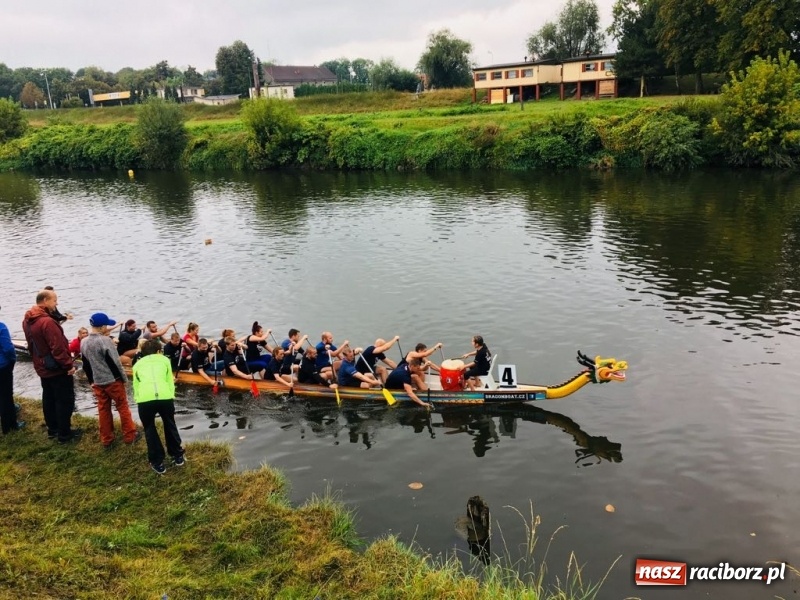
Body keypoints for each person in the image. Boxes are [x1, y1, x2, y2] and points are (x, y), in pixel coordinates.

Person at [22, 289, 81, 443]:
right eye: (55, 300)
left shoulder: (27, 320)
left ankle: (53, 429)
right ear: (46, 301)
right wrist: (69, 366)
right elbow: (58, 347)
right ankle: (64, 434)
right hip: (56, 368)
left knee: (48, 398)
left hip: (42, 366)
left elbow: (31, 344)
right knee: (64, 400)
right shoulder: (47, 322)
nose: (57, 303)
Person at [80, 313, 141, 449]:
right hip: (112, 380)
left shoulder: (83, 342)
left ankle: (107, 439)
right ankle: (130, 436)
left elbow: (86, 364)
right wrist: (124, 379)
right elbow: (116, 363)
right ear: (101, 327)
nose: (107, 328)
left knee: (103, 409)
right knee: (123, 407)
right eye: (106, 325)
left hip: (97, 381)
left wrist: (91, 381)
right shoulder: (105, 341)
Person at [132, 339, 185, 475]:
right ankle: (177, 455)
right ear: (158, 351)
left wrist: (138, 399)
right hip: (165, 397)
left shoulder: (137, 364)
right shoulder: (165, 360)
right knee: (170, 424)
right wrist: (171, 395)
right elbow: (169, 380)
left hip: (145, 399)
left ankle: (157, 462)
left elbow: (136, 385)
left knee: (149, 428)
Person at [0, 305, 23, 433]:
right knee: (6, 396)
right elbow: (8, 348)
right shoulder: (1, 327)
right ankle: (9, 426)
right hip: (2, 366)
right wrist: (13, 359)